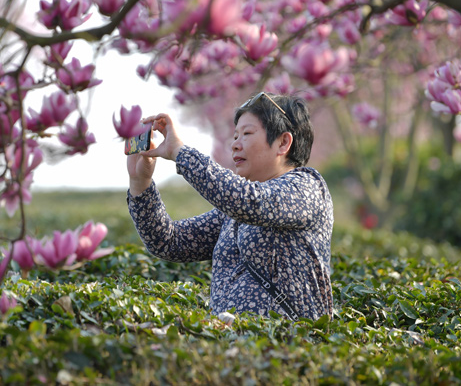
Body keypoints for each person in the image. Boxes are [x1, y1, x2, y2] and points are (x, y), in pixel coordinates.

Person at [126, 92, 333, 320]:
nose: (235, 145)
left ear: (283, 142)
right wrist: (140, 182)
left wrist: (180, 153)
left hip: (286, 349)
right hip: (231, 345)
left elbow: (249, 202)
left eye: (246, 133)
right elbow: (169, 242)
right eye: (235, 136)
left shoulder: (307, 187)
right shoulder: (233, 212)